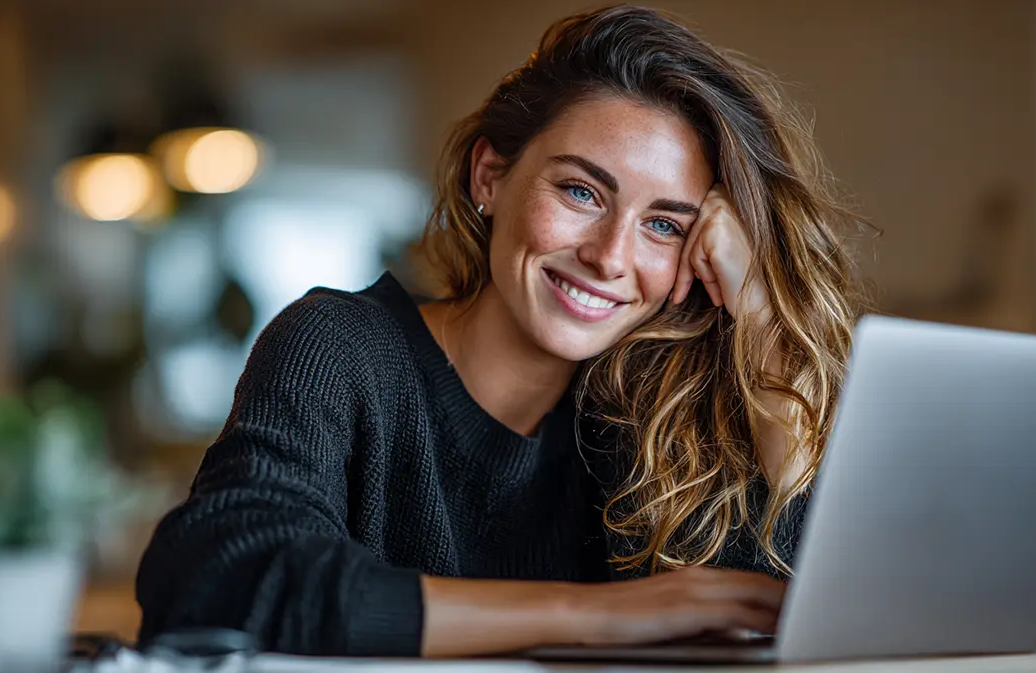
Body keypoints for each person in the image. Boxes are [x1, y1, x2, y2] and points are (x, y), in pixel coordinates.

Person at [135, 4, 867, 659]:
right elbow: (216, 576)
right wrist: (594, 615)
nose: (611, 257)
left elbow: (808, 624)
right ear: (490, 176)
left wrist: (766, 322)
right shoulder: (341, 347)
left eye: (664, 226)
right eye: (581, 190)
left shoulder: (646, 426)